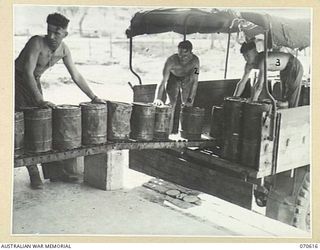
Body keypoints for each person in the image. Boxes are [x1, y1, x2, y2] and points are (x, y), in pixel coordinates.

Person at [15, 13, 105, 189]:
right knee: (24, 126)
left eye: (57, 33)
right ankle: (34, 173)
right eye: (49, 31)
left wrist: (93, 97)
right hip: (15, 81)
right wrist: (40, 100)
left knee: (44, 124)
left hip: (33, 82)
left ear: (65, 34)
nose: (51, 36)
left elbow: (76, 75)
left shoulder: (64, 50)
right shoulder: (36, 42)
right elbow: (26, 72)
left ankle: (55, 173)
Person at [233, 41, 303, 108]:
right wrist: (233, 99)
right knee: (284, 98)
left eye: (248, 55)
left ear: (255, 52)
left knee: (291, 101)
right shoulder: (249, 65)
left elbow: (259, 85)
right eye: (244, 56)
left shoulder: (263, 60)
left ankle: (292, 117)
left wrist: (252, 103)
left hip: (294, 65)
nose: (246, 59)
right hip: (284, 69)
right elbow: (242, 83)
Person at [153, 40, 200, 132]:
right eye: (180, 55)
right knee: (171, 104)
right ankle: (167, 131)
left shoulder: (195, 61)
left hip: (187, 78)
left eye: (185, 55)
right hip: (173, 78)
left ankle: (184, 131)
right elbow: (162, 81)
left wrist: (191, 97)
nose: (182, 58)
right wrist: (157, 98)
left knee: (187, 105)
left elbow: (195, 80)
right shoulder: (171, 61)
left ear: (191, 52)